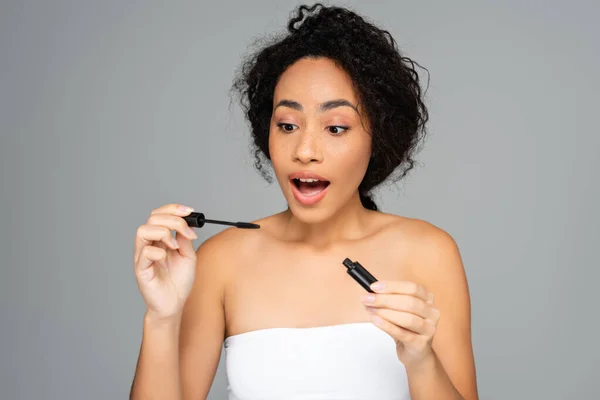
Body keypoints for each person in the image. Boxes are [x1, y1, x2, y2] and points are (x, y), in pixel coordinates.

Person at [129, 3, 478, 399]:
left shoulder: (429, 253)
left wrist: (421, 360)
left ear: (377, 137)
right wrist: (161, 317)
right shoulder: (220, 262)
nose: (305, 150)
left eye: (336, 127)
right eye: (288, 125)